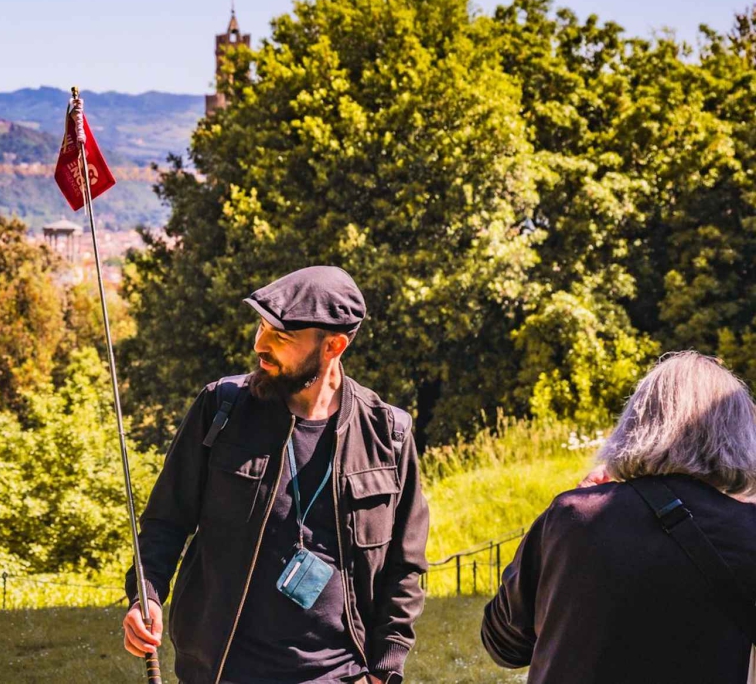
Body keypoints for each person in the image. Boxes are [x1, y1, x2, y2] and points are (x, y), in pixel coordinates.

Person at [122, 265, 429, 684]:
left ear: (333, 345)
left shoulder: (387, 434)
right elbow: (164, 523)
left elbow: (405, 565)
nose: (260, 345)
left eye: (280, 335)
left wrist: (385, 667)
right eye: (262, 326)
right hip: (223, 671)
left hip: (342, 673)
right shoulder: (221, 410)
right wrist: (148, 595)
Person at [481, 351, 756, 683]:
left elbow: (503, 645)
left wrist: (559, 517)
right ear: (739, 436)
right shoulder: (747, 529)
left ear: (636, 422)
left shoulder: (572, 517)